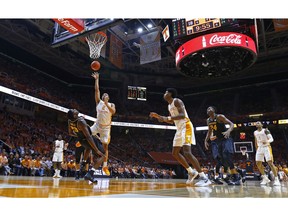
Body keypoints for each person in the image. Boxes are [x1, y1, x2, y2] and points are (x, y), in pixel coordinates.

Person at [150, 88, 211, 187]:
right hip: (179, 129)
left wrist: (167, 118)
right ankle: (191, 172)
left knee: (187, 152)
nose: (164, 94)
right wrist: (159, 117)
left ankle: (204, 177)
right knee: (175, 153)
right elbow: (171, 121)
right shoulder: (169, 106)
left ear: (170, 94)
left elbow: (182, 115)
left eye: (166, 92)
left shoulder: (177, 101)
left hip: (186, 126)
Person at [204, 106, 242, 185]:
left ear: (214, 110)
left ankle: (235, 176)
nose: (208, 110)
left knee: (226, 155)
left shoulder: (219, 116)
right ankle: (231, 176)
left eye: (210, 108)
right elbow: (210, 130)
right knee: (222, 159)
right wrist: (206, 140)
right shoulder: (208, 120)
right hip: (219, 140)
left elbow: (231, 124)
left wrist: (228, 131)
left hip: (226, 138)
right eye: (207, 109)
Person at [67, 108, 106, 183]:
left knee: (88, 149)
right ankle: (90, 174)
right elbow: (89, 137)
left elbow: (70, 133)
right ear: (74, 115)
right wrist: (97, 150)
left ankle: (84, 162)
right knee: (102, 155)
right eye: (73, 110)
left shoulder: (70, 121)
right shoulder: (81, 122)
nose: (74, 109)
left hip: (82, 141)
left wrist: (79, 136)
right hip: (88, 139)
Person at [90, 72, 116, 176]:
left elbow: (113, 112)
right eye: (103, 95)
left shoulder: (111, 104)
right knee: (86, 131)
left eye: (106, 95)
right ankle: (83, 140)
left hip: (106, 128)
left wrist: (106, 104)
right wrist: (97, 79)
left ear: (108, 98)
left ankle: (105, 166)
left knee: (105, 147)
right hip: (97, 125)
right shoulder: (98, 102)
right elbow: (97, 90)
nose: (105, 95)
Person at [254, 121, 280, 186]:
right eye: (256, 123)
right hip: (259, 148)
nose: (257, 124)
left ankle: (276, 179)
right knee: (258, 163)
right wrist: (256, 148)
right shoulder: (255, 132)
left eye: (258, 123)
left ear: (262, 125)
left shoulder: (265, 130)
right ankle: (265, 178)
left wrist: (267, 141)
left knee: (270, 163)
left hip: (266, 147)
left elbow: (271, 139)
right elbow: (256, 141)